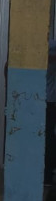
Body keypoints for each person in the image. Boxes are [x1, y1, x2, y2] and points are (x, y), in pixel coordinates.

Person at [46, 38, 56, 185]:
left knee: (48, 138)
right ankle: (47, 174)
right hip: (49, 101)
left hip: (47, 101)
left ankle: (47, 174)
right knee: (48, 138)